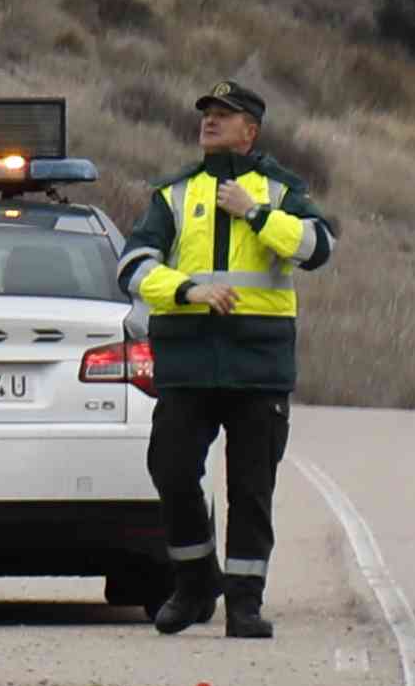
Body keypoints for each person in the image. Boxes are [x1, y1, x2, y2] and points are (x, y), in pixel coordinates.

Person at [128, 74, 326, 635]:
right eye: (206, 112)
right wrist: (187, 290)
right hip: (187, 362)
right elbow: (134, 265)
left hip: (257, 365)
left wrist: (257, 214)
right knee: (169, 469)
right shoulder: (174, 193)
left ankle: (245, 602)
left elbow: (319, 248)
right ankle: (194, 584)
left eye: (225, 113)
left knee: (251, 487)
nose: (210, 120)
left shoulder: (281, 190)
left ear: (250, 130)